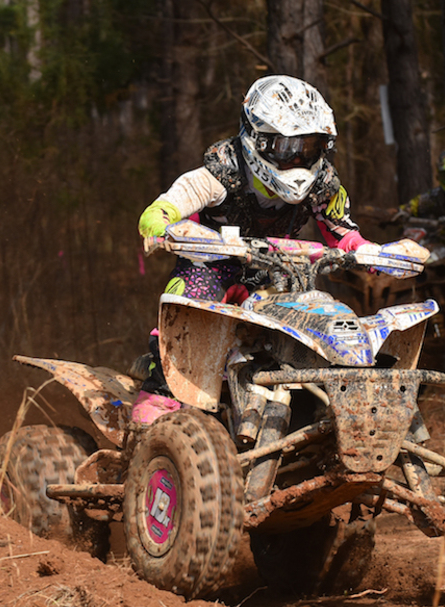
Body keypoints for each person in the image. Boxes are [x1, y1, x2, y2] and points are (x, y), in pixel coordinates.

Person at [131, 74, 380, 425]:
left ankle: (310, 406)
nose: (298, 160)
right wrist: (168, 228)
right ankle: (160, 395)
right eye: (287, 148)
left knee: (317, 314)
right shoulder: (220, 172)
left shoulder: (324, 185)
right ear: (257, 140)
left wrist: (373, 254)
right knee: (194, 292)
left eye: (309, 148)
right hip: (211, 265)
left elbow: (343, 233)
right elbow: (158, 211)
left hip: (274, 273)